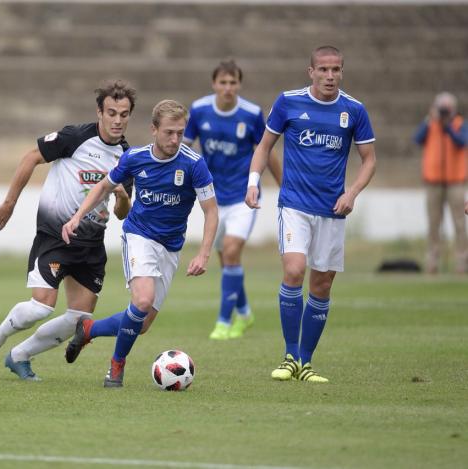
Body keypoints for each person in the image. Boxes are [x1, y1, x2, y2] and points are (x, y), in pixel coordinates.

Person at [0, 80, 137, 381]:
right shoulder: (74, 137)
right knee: (40, 308)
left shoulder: (127, 157)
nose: (117, 120)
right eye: (111, 112)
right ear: (99, 112)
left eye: (123, 114)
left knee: (80, 318)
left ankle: (19, 356)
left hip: (91, 244)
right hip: (55, 234)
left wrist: (123, 197)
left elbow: (122, 215)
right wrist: (9, 203)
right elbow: (31, 157)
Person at [61, 99, 219, 388]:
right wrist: (77, 217)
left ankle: (88, 329)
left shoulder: (194, 164)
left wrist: (204, 254)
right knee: (142, 301)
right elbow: (104, 186)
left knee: (141, 324)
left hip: (171, 247)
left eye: (180, 133)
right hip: (139, 236)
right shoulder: (135, 158)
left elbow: (211, 211)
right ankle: (116, 366)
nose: (175, 139)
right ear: (153, 129)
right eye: (169, 132)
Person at [246, 46, 377, 383]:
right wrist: (253, 182)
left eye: (335, 70)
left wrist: (352, 193)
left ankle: (305, 362)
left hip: (332, 211)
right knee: (294, 270)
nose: (329, 76)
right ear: (311, 72)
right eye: (323, 69)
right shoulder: (289, 102)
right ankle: (290, 355)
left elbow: (370, 160)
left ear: (342, 72)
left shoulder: (354, 110)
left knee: (322, 284)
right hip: (295, 205)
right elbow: (264, 146)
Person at [183, 59, 282, 340]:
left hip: (242, 196)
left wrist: (283, 186)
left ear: (239, 84)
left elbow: (267, 150)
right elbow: (185, 149)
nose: (228, 88)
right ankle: (245, 312)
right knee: (227, 260)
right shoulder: (200, 110)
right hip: (212, 199)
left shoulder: (251, 114)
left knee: (230, 249)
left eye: (233, 82)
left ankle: (224, 322)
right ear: (214, 84)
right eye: (223, 82)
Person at [413, 92, 467, 274]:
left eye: (447, 108)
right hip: (433, 181)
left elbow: (461, 142)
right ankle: (432, 261)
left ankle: (462, 262)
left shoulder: (460, 124)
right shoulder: (430, 124)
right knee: (433, 223)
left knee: (460, 223)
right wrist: (430, 120)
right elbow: (417, 139)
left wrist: (449, 126)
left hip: (456, 182)